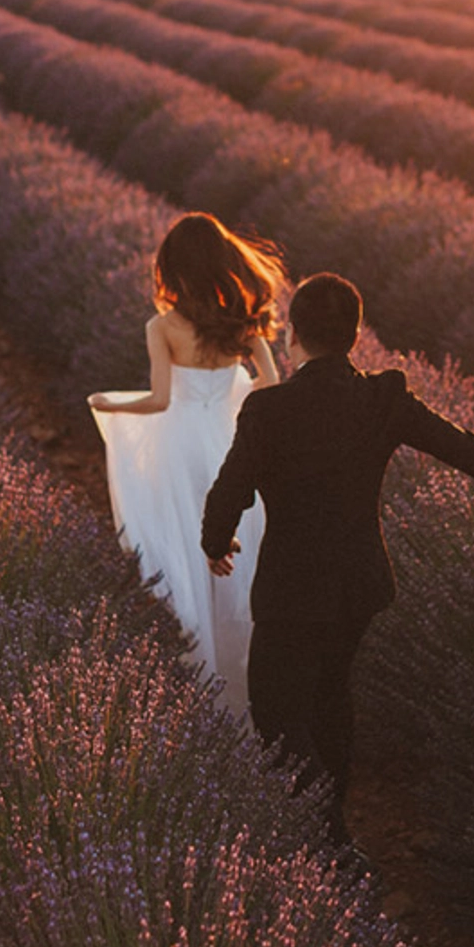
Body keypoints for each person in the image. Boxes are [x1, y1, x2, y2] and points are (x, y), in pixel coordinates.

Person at [201, 271, 474, 844]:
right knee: (330, 699)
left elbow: (229, 489)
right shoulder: (382, 398)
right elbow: (464, 447)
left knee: (278, 714)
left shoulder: (270, 410)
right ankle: (330, 827)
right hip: (359, 586)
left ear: (293, 336)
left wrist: (217, 542)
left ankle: (325, 841)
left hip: (291, 589)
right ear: (355, 336)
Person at [89, 212, 287, 713]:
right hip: (228, 444)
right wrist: (233, 395)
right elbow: (271, 388)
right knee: (239, 560)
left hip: (179, 452)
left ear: (172, 269)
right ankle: (251, 688)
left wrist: (109, 405)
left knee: (184, 552)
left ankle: (198, 686)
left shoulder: (163, 326)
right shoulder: (243, 323)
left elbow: (158, 401)